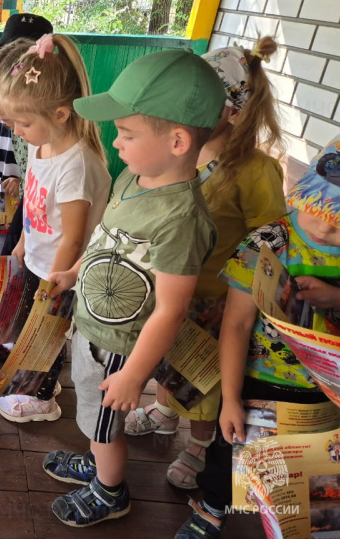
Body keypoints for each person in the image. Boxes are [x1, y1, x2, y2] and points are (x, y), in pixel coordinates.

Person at [43, 49, 225, 527]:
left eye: (126, 133)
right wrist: (76, 270)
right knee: (91, 412)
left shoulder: (180, 219)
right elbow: (108, 241)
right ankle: (97, 458)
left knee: (106, 424)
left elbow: (169, 310)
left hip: (122, 348)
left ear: (178, 140)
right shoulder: (133, 176)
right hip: (93, 326)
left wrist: (132, 377)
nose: (115, 142)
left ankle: (110, 490)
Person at [124, 37, 286, 490]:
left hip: (217, 298)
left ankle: (197, 443)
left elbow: (270, 238)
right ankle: (162, 411)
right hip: (174, 283)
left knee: (201, 381)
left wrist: (242, 295)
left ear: (232, 110)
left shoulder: (256, 170)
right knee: (167, 359)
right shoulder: (185, 152)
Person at [176, 138, 340, 539]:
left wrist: (335, 296)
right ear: (305, 192)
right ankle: (212, 509)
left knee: (314, 466)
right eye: (322, 210)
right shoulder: (271, 241)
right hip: (260, 383)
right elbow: (235, 324)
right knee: (230, 454)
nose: (327, 226)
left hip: (326, 390)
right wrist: (230, 398)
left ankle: (303, 516)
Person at [0, 33, 111, 423]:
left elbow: (75, 237)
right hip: (39, 261)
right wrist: (23, 245)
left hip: (62, 272)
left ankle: (42, 399)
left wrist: (53, 282)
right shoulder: (44, 147)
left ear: (61, 114)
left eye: (23, 123)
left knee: (48, 330)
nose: (17, 132)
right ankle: (43, 380)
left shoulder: (77, 165)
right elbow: (32, 204)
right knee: (35, 327)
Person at [0, 12, 53, 314]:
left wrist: (24, 181)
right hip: (2, 179)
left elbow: (42, 160)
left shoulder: (42, 110)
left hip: (29, 190)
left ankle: (11, 292)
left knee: (17, 241)